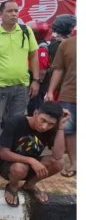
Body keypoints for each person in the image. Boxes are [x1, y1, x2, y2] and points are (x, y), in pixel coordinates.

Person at [0, 0, 40, 155]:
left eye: (16, 11)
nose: (14, 14)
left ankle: (12, 149)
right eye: (9, 11)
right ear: (1, 14)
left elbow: (34, 56)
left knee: (17, 120)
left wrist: (36, 80)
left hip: (22, 87)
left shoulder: (26, 32)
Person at [0, 101, 67, 207]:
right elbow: (3, 153)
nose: (45, 127)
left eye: (51, 124)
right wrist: (31, 161)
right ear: (36, 113)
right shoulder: (16, 122)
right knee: (20, 168)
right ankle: (13, 186)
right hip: (9, 166)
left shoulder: (52, 128)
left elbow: (58, 156)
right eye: (43, 120)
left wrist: (60, 127)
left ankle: (30, 185)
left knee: (59, 162)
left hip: (31, 165)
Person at [46, 32, 77, 177]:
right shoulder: (66, 44)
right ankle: (74, 163)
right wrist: (50, 91)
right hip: (70, 94)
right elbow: (58, 69)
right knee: (69, 131)